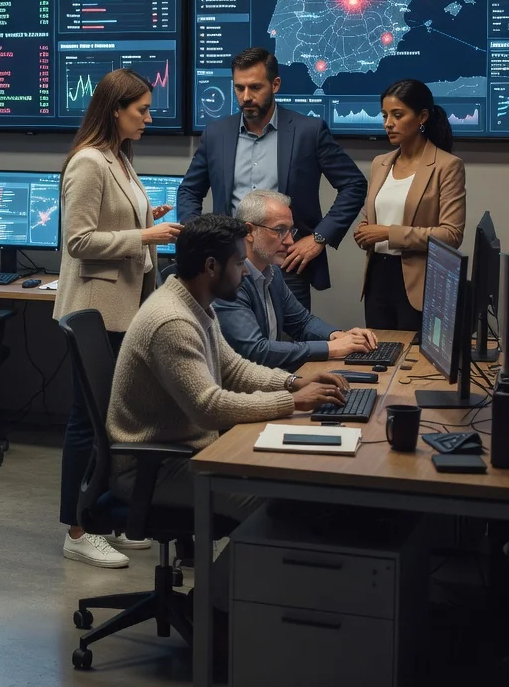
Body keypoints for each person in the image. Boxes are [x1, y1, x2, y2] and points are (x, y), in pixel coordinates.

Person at [106, 214, 349, 601]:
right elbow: (209, 407)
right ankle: (217, 612)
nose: (244, 272)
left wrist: (293, 381)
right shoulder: (172, 321)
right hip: (153, 469)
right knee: (273, 501)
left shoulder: (198, 302)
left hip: (186, 451)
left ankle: (228, 604)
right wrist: (291, 402)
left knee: (285, 482)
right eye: (239, 263)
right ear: (211, 266)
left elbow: (233, 368)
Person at [53, 68, 181, 569]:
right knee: (87, 424)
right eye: (142, 110)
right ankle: (76, 528)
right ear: (114, 111)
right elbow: (78, 242)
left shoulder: (119, 159)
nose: (149, 118)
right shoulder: (89, 162)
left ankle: (101, 517)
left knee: (113, 421)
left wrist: (145, 222)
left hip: (119, 310)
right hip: (93, 313)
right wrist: (146, 237)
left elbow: (112, 224)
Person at [177, 48, 366, 310]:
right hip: (228, 263)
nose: (246, 97)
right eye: (239, 88)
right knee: (226, 346)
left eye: (255, 87)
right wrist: (199, 239)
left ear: (275, 84)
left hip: (285, 263)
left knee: (288, 344)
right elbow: (188, 191)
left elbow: (354, 184)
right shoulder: (216, 134)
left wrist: (320, 237)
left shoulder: (308, 132)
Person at [216, 190, 378, 370]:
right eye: (279, 231)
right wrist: (330, 348)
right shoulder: (228, 279)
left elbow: (302, 322)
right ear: (249, 231)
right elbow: (256, 350)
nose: (290, 241)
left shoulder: (273, 272)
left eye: (290, 231)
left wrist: (338, 336)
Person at [354, 79, 466, 331]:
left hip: (420, 282)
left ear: (422, 117)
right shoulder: (379, 163)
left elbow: (451, 234)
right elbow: (370, 213)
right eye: (384, 115)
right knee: (380, 356)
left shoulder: (447, 166)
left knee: (414, 364)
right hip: (377, 278)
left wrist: (386, 233)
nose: (388, 123)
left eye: (397, 115)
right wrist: (364, 230)